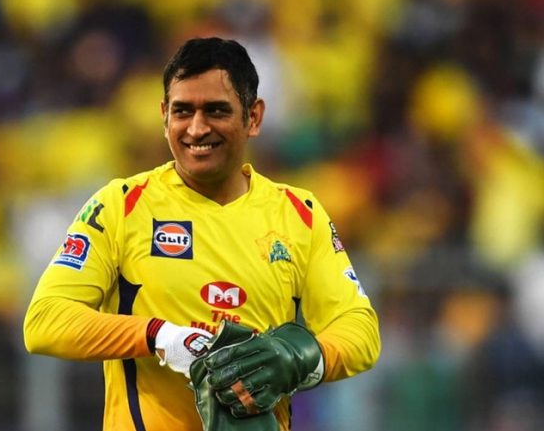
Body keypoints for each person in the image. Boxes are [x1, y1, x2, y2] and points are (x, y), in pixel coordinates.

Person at [23, 37, 381, 431]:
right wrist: (160, 336)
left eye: (216, 111)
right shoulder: (121, 206)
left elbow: (360, 329)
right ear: (164, 116)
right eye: (182, 111)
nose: (197, 128)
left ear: (253, 117)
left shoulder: (299, 214)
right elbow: (45, 321)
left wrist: (300, 361)